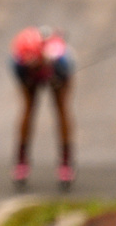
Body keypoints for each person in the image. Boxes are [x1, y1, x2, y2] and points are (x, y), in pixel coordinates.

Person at [9, 25, 76, 190]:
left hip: (55, 71)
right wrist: (30, 74)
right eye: (28, 63)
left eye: (34, 63)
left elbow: (65, 76)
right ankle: (21, 160)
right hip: (33, 72)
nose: (31, 66)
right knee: (28, 109)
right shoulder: (18, 65)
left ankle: (66, 162)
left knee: (61, 109)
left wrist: (55, 78)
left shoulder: (61, 61)